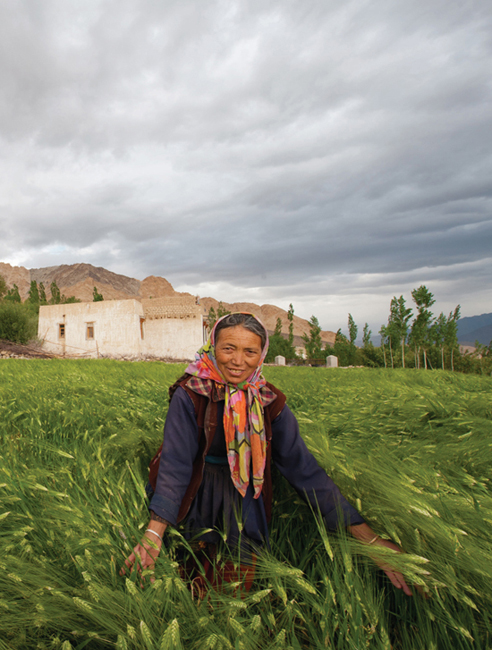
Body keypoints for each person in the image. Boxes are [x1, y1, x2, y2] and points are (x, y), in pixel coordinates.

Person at [121, 312, 412, 596]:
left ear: (261, 355)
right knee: (185, 571)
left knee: (237, 579)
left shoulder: (269, 400)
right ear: (212, 347)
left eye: (250, 351)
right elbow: (176, 463)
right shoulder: (191, 393)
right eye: (228, 349)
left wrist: (369, 539)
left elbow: (303, 469)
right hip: (195, 490)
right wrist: (155, 533)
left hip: (245, 493)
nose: (238, 360)